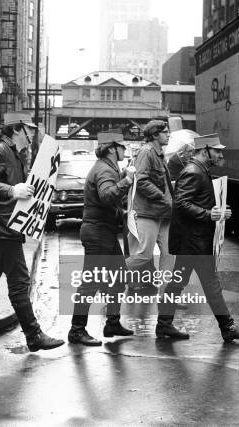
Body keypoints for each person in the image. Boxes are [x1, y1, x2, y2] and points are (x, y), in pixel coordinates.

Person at [0, 111, 64, 352]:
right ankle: (33, 335)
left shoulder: (14, 154)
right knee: (19, 282)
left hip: (0, 227)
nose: (32, 133)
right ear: (17, 129)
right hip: (1, 228)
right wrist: (12, 190)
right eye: (29, 128)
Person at [156, 134, 239, 341]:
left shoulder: (199, 170)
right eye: (217, 151)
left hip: (192, 241)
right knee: (210, 284)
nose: (221, 154)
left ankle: (164, 325)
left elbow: (193, 201)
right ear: (205, 151)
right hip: (193, 242)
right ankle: (227, 328)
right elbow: (181, 203)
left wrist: (216, 209)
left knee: (178, 284)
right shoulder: (193, 171)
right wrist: (209, 214)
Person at [68, 130, 136, 345]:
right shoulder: (105, 170)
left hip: (103, 231)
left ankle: (112, 322)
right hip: (97, 233)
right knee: (91, 282)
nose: (125, 149)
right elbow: (107, 196)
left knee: (119, 277)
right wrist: (126, 181)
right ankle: (77, 330)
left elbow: (105, 203)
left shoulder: (108, 167)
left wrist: (124, 214)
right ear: (112, 148)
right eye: (122, 146)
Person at [126, 120, 175, 294]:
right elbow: (142, 181)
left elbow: (159, 182)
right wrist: (164, 198)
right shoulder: (146, 153)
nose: (168, 135)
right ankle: (113, 276)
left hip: (163, 214)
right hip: (148, 213)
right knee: (144, 255)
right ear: (155, 135)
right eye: (165, 132)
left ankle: (165, 295)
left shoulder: (160, 154)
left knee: (169, 255)